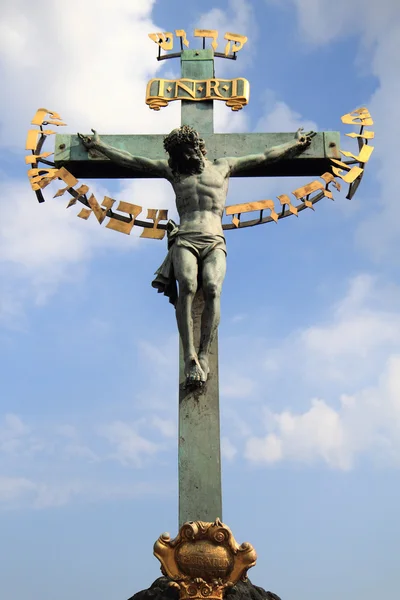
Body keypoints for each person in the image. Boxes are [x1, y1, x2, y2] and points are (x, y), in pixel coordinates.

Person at [78, 125, 315, 387]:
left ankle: (204, 352)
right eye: (179, 155)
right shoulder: (174, 171)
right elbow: (134, 161)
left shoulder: (224, 166)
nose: (184, 159)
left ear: (198, 147)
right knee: (188, 287)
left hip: (214, 239)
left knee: (212, 287)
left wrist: (295, 146)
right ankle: (189, 354)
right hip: (186, 238)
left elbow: (264, 156)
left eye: (187, 152)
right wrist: (99, 146)